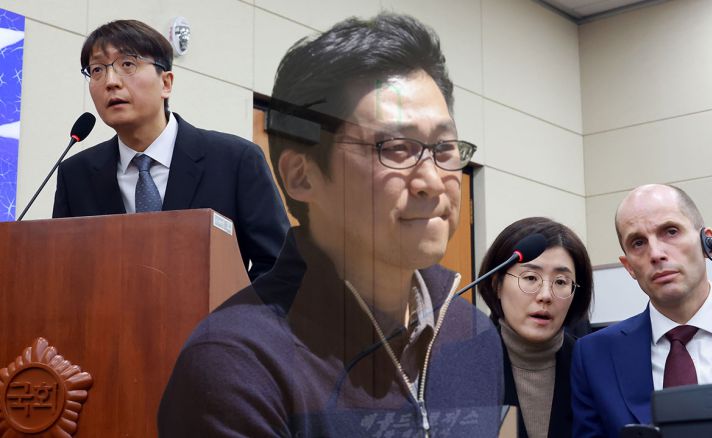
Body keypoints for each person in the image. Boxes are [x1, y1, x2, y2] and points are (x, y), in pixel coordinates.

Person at [157, 13, 504, 437]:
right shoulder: (236, 363)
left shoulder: (475, 336)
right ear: (302, 176)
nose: (432, 181)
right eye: (396, 148)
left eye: (444, 147)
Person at [52, 19, 288, 280]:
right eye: (97, 69)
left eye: (127, 64)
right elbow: (63, 271)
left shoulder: (235, 160)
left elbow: (280, 268)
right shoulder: (75, 175)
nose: (110, 81)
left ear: (166, 83)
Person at [570, 183, 712, 437]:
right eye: (638, 242)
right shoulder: (594, 356)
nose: (656, 253)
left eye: (670, 231)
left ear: (707, 242)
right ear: (629, 267)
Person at [478, 217, 592, 438]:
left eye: (561, 281)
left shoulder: (593, 367)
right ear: (497, 284)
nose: (545, 295)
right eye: (530, 277)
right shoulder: (458, 366)